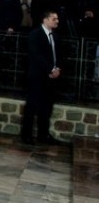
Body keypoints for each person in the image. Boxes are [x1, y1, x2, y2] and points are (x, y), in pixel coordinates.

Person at [21, 11, 62, 144]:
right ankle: (26, 135)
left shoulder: (55, 36)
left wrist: (57, 68)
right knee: (32, 106)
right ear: (45, 20)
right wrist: (50, 69)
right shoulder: (35, 35)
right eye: (54, 19)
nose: (57, 21)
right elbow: (36, 55)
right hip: (37, 76)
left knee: (47, 107)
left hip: (51, 78)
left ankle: (43, 134)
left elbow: (58, 55)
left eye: (57, 19)